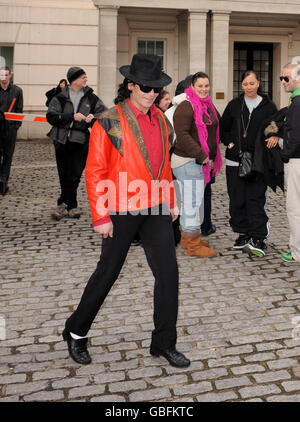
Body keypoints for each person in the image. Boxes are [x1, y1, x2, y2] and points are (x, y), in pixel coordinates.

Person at [62, 54, 190, 368]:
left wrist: (170, 200)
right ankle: (76, 331)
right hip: (121, 207)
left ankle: (163, 343)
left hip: (155, 206)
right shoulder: (110, 119)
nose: (150, 93)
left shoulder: (161, 119)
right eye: (145, 87)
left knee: (169, 273)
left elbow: (162, 166)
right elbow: (94, 170)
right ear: (131, 85)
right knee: (108, 273)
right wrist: (101, 215)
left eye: (156, 88)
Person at [220, 70, 278, 257]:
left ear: (258, 83)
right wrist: (229, 142)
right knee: (237, 199)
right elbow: (223, 128)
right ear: (241, 85)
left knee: (255, 198)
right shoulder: (234, 105)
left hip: (258, 161)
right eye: (245, 84)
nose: (249, 87)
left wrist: (275, 135)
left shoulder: (268, 106)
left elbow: (275, 126)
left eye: (252, 83)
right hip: (234, 160)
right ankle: (243, 234)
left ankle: (259, 237)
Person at [171, 71, 222, 257]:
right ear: (192, 86)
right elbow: (182, 135)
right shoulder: (187, 106)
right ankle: (193, 245)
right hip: (188, 160)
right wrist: (201, 154)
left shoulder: (205, 104)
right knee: (192, 203)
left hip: (195, 161)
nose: (204, 89)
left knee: (190, 202)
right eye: (200, 85)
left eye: (206, 85)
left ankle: (187, 239)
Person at [46, 67, 106, 220]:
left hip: (81, 141)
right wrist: (72, 116)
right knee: (64, 174)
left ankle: (63, 204)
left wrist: (94, 116)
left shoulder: (91, 98)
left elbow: (105, 114)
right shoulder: (59, 96)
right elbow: (51, 117)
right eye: (83, 77)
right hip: (61, 140)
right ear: (74, 80)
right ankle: (71, 206)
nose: (86, 79)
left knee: (75, 175)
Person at [279, 63, 300, 263]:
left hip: (296, 162)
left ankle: (297, 251)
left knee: (294, 208)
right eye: (281, 78)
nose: (283, 82)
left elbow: (294, 136)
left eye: (286, 78)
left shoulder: (297, 102)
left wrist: (284, 154)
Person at [0, 66, 23, 195]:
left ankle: (4, 182)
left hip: (10, 130)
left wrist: (15, 126)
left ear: (10, 75)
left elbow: (19, 110)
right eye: (1, 75)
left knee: (8, 156)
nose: (4, 77)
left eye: (6, 75)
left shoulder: (17, 91)